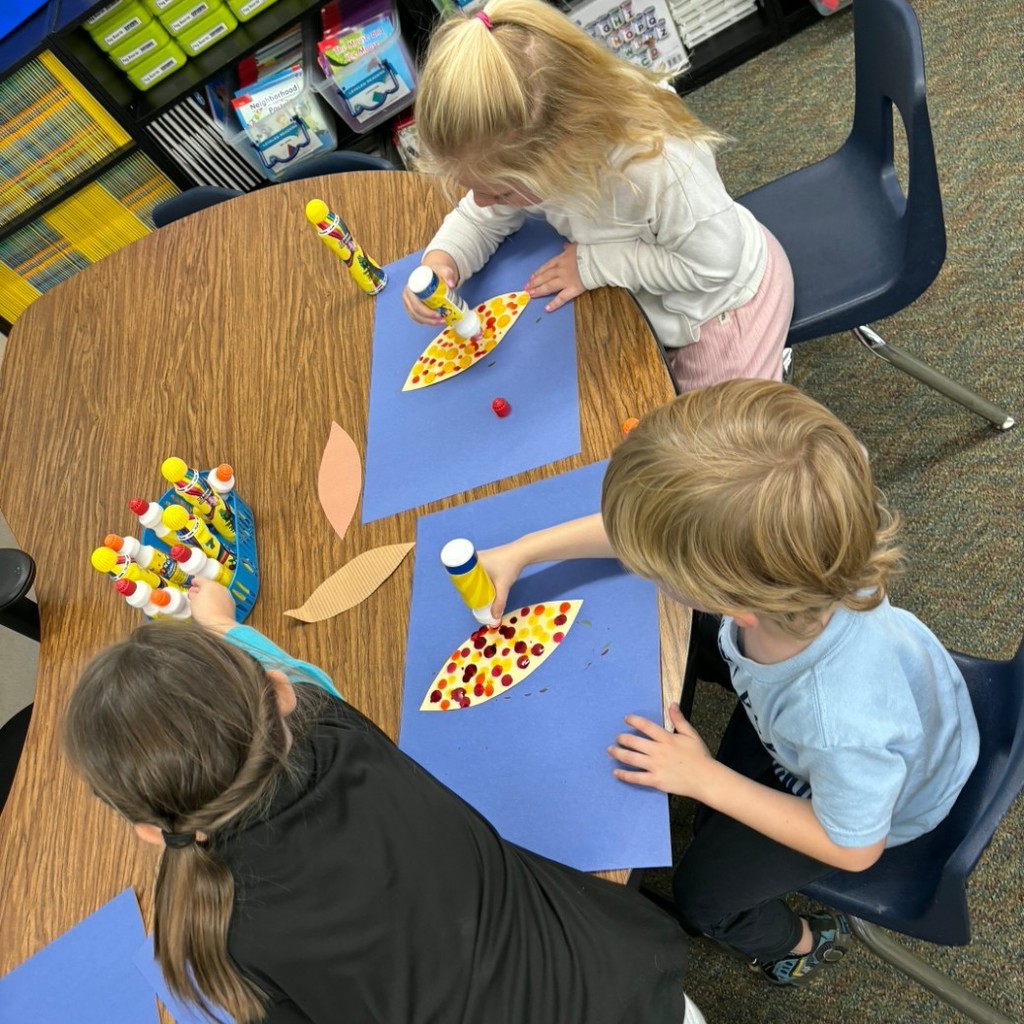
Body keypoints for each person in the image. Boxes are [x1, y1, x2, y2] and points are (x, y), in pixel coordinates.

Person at [478, 379, 980, 986]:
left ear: (729, 601)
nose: (643, 568)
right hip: (859, 727)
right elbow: (655, 528)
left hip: (875, 810)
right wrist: (522, 551)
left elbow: (854, 848)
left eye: (657, 571)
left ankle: (797, 944)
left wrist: (704, 778)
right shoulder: (809, 542)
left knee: (702, 896)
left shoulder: (833, 717)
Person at [62, 577, 705, 1024]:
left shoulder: (220, 935)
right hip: (624, 986)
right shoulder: (338, 737)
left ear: (151, 833)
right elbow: (304, 681)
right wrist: (226, 627)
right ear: (280, 696)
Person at [401, 0, 794, 394]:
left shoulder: (661, 166)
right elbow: (482, 216)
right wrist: (444, 258)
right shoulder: (535, 149)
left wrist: (592, 264)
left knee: (718, 440)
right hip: (660, 292)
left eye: (499, 191)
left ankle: (773, 360)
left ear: (562, 149)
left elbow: (714, 267)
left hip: (720, 307)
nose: (482, 201)